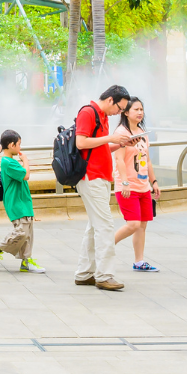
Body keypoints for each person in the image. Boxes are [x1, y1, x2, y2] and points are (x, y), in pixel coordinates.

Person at [74, 85, 135, 291]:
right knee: (106, 226)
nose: (120, 113)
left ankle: (84, 273)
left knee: (94, 226)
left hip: (99, 177)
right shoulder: (88, 112)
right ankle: (105, 275)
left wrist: (120, 143)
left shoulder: (103, 116)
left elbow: (99, 147)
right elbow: (81, 143)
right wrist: (111, 138)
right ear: (110, 100)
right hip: (91, 176)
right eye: (120, 108)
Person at [112, 96, 159, 273]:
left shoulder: (142, 133)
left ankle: (139, 262)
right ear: (126, 112)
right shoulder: (121, 133)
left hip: (143, 186)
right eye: (136, 110)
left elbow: (147, 160)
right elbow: (119, 160)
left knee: (142, 225)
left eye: (141, 109)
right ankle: (105, 247)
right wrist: (124, 182)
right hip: (127, 186)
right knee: (133, 224)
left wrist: (153, 182)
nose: (140, 113)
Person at [0, 130, 41, 272]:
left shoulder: (10, 161)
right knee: (21, 232)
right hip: (17, 203)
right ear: (11, 145)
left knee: (27, 233)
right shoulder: (8, 162)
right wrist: (26, 161)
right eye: (19, 144)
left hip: (23, 202)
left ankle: (26, 261)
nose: (20, 147)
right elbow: (26, 175)